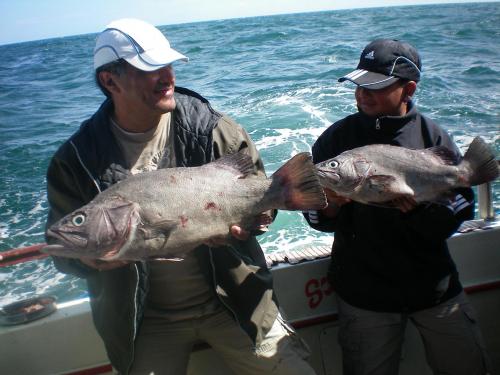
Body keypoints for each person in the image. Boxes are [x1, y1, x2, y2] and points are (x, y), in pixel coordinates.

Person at [45, 18, 316, 375]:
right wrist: (90, 262)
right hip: (144, 322)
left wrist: (256, 222)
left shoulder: (213, 129)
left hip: (235, 302)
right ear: (109, 81)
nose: (167, 77)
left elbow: (258, 198)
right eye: (150, 69)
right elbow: (62, 248)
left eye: (168, 65)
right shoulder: (75, 160)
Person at [304, 39, 491, 375]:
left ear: (408, 89)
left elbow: (461, 209)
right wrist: (330, 207)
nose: (363, 94)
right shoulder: (335, 140)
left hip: (434, 288)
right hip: (363, 296)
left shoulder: (433, 137)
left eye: (375, 86)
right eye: (359, 85)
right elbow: (315, 215)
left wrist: (417, 210)